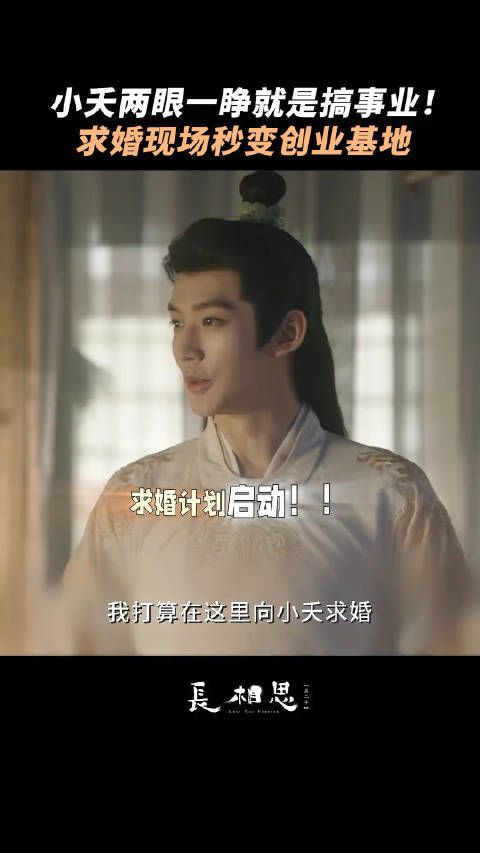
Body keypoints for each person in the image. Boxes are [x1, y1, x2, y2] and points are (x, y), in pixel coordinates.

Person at [44, 171, 478, 655]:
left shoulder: (391, 494)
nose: (185, 348)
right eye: (177, 322)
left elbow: (448, 644)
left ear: (287, 333)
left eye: (211, 321)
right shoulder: (137, 494)